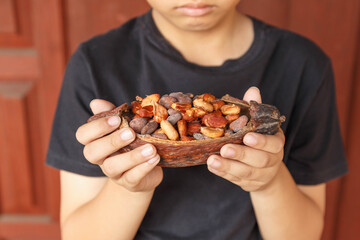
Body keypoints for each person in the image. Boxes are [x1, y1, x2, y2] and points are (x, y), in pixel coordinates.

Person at [46, 0, 348, 239]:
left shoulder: (303, 64)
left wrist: (268, 182)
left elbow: (304, 234)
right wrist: (130, 187)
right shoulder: (94, 63)